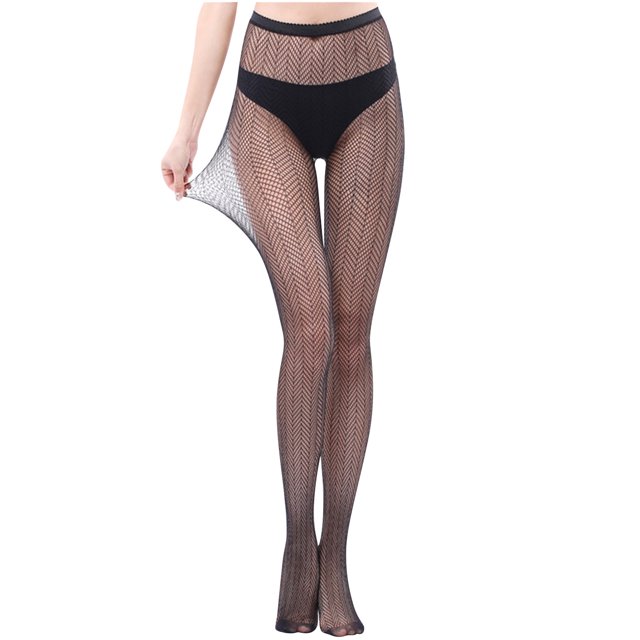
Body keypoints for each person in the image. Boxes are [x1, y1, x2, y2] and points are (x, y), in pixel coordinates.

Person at [160, 2, 404, 636]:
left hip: (366, 78)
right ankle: (299, 543)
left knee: (351, 331)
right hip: (269, 92)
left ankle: (336, 556)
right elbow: (218, 5)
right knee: (310, 327)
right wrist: (187, 130)